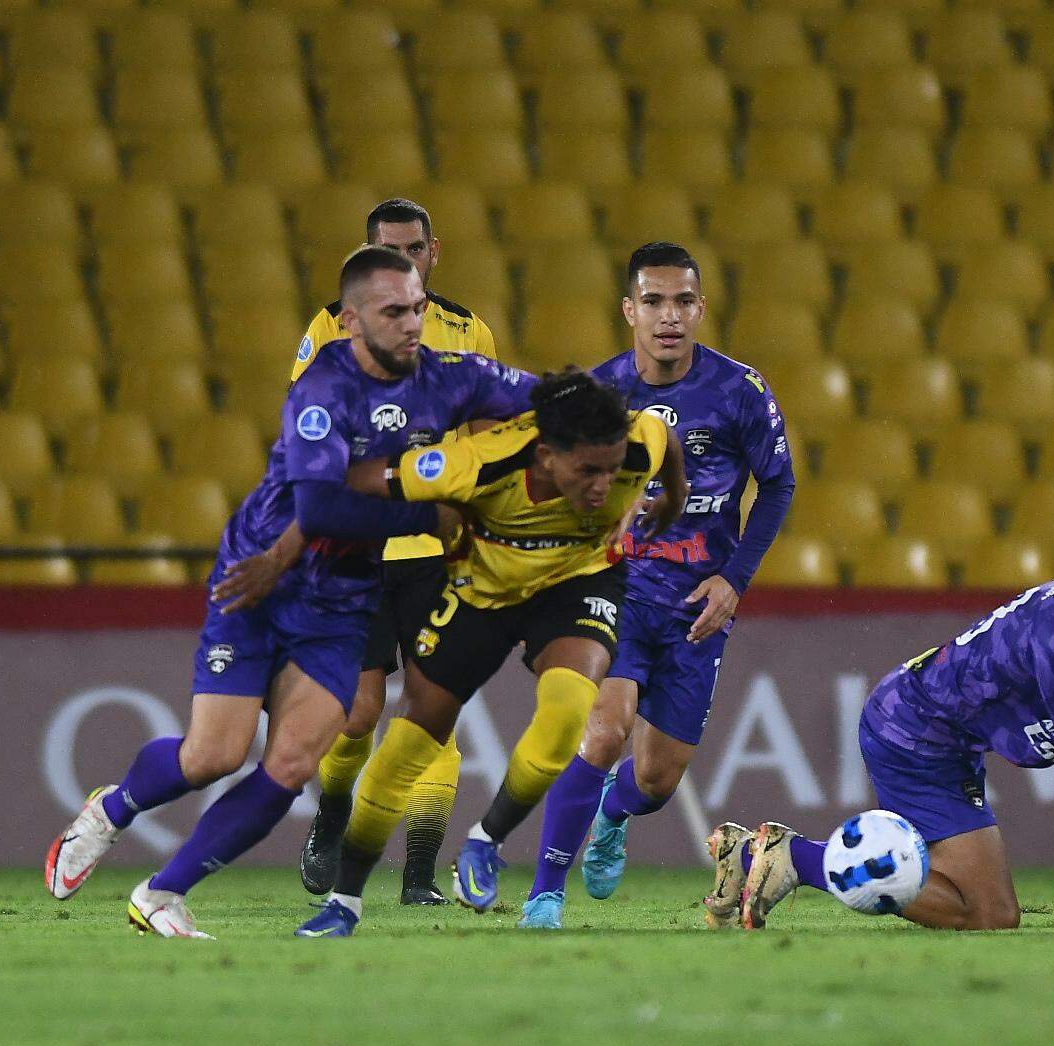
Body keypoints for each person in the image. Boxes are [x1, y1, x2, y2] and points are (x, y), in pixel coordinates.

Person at [42, 247, 538, 938]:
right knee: (212, 755)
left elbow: (546, 399)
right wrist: (436, 515)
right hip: (263, 578)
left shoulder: (451, 378)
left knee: (294, 761)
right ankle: (113, 808)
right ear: (351, 321)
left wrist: (626, 412)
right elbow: (325, 509)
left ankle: (162, 893)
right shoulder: (323, 391)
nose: (411, 325)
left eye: (418, 309)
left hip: (343, 598)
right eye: (393, 312)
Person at [295, 371, 687, 936]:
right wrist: (427, 516)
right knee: (411, 738)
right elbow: (361, 480)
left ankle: (484, 843)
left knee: (568, 709)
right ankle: (344, 903)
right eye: (588, 471)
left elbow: (665, 441)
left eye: (612, 468)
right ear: (547, 456)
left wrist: (670, 500)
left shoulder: (635, 442)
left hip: (577, 583)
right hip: (482, 594)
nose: (605, 486)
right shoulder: (478, 462)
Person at [708, 517, 1054, 933]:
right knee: (990, 914)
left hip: (954, 740)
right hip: (913, 729)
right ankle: (791, 858)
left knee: (988, 911)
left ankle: (772, 858)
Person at [518, 242, 796, 928]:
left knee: (654, 779)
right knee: (603, 730)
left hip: (699, 603)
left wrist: (733, 580)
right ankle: (544, 894)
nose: (667, 316)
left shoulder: (738, 391)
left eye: (681, 302)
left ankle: (614, 812)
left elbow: (778, 483)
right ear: (628, 311)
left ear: (700, 309)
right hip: (618, 590)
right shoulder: (601, 396)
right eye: (652, 301)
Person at [287, 199, 501, 906]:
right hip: (358, 545)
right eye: (389, 251)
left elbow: (488, 435)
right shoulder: (329, 326)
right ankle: (333, 811)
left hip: (438, 548)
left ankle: (417, 874)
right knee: (357, 713)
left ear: (433, 252)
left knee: (434, 709)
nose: (404, 263)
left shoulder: (470, 333)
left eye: (414, 250)